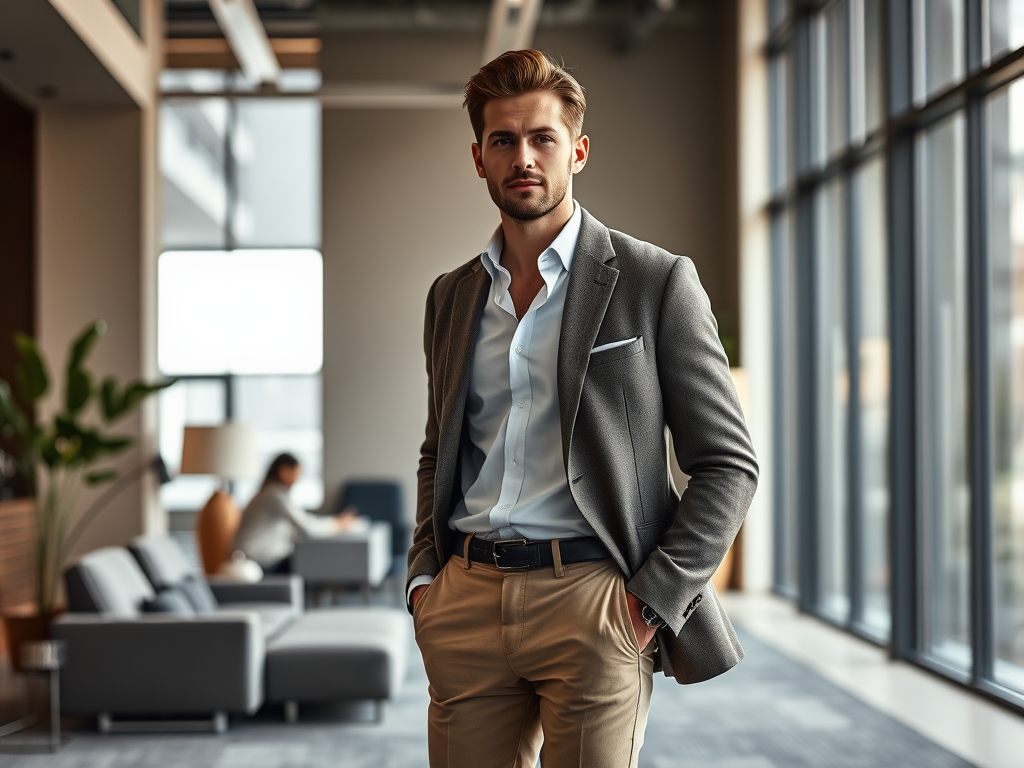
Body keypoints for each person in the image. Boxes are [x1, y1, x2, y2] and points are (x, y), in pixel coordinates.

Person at [407, 50, 759, 768]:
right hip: (467, 597)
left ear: (579, 150)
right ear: (478, 158)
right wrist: (424, 582)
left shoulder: (654, 281)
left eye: (543, 138)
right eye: (503, 140)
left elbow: (728, 464)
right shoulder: (451, 296)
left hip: (594, 600)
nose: (523, 157)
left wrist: (651, 601)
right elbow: (439, 448)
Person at [233, 453, 360, 573]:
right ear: (284, 471)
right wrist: (339, 524)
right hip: (257, 562)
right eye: (297, 474)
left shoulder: (270, 494)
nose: (298, 480)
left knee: (308, 559)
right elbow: (308, 527)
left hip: (258, 558)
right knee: (313, 563)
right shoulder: (274, 496)